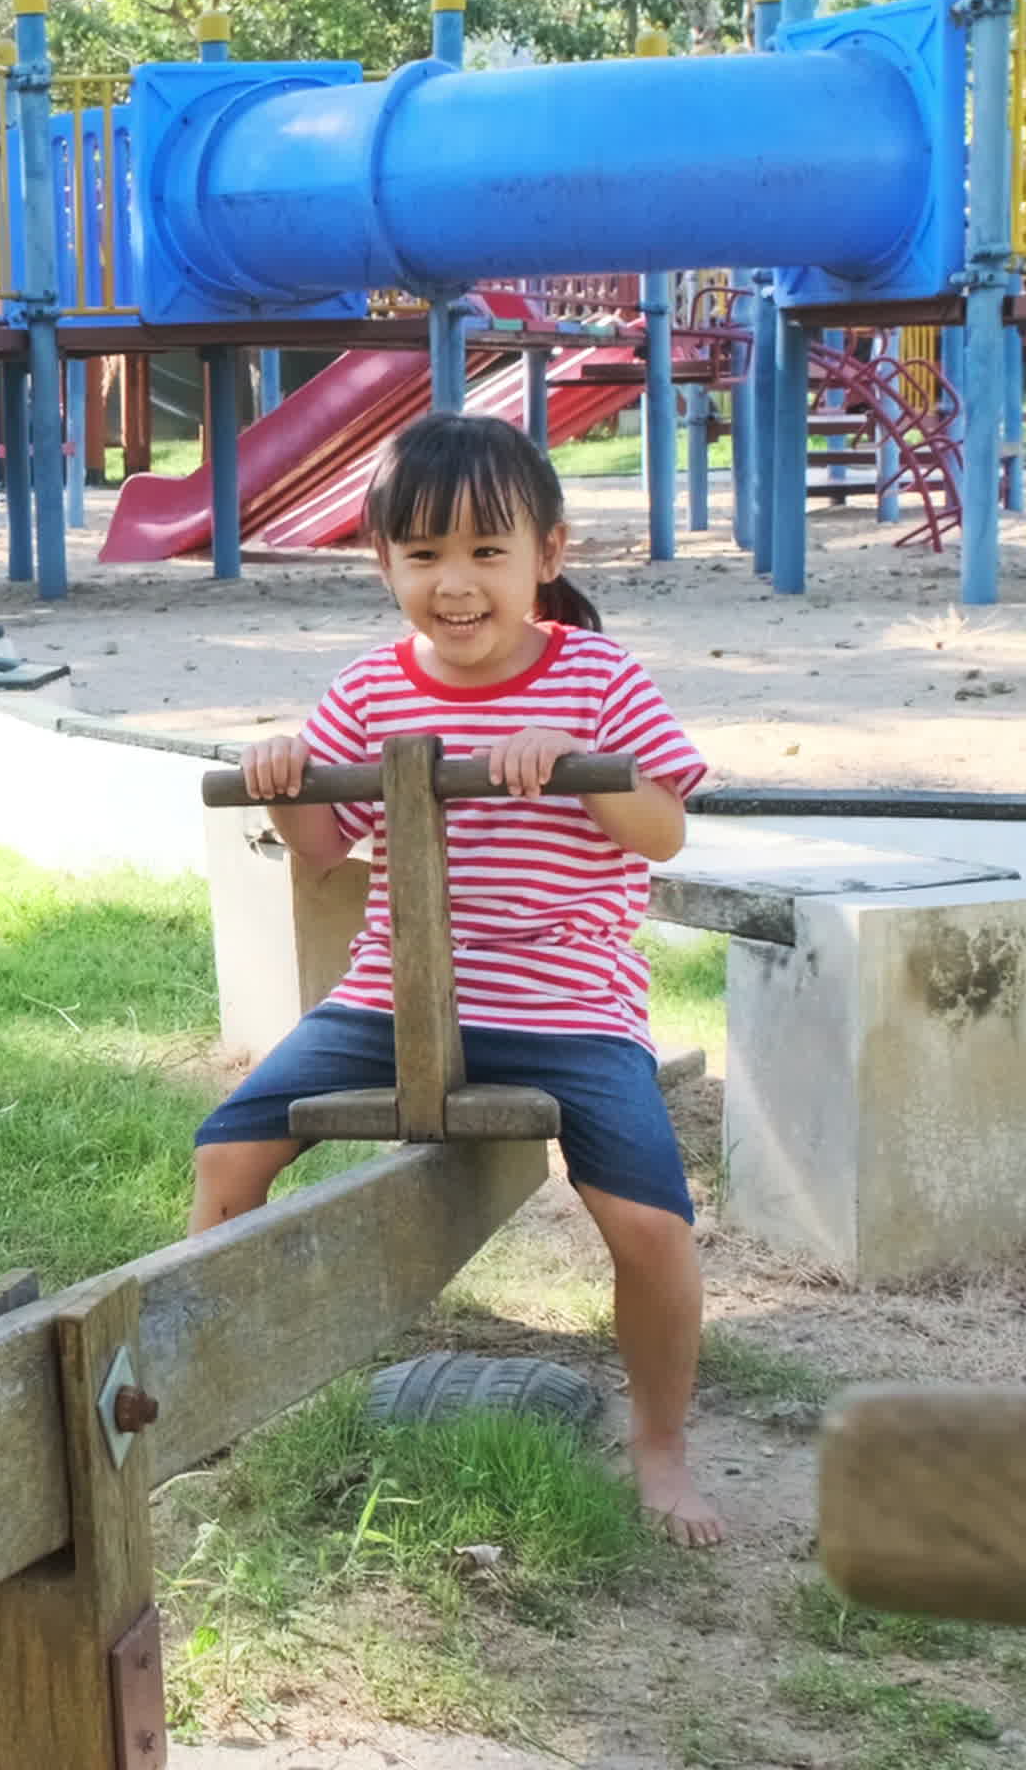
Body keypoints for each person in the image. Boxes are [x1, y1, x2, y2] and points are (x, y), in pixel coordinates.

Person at [200, 411, 720, 1545]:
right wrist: (286, 780)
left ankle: (661, 1443)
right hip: (393, 993)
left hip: (565, 1004)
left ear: (549, 552)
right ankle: (217, 1395)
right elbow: (324, 848)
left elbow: (664, 832)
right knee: (224, 1155)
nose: (458, 583)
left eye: (489, 552)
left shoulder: (596, 680)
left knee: (650, 1228)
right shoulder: (372, 690)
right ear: (381, 559)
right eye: (425, 554)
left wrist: (577, 769)